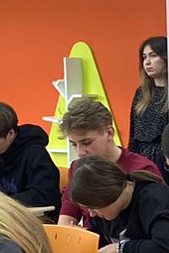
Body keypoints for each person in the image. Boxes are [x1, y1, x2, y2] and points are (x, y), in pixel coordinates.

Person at [55, 97, 159, 228]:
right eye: (74, 144)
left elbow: (156, 225)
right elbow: (65, 222)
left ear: (109, 133)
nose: (80, 152)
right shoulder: (77, 168)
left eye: (86, 142)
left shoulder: (143, 169)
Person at [0, 101, 59, 212]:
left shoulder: (36, 154)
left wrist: (0, 202)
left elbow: (45, 195)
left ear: (11, 133)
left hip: (35, 218)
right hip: (4, 215)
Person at [127, 36, 168, 166]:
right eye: (144, 57)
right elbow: (133, 132)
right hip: (140, 158)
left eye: (153, 55)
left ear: (166, 58)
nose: (147, 62)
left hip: (165, 159)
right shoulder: (141, 93)